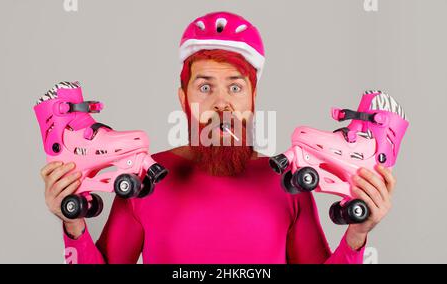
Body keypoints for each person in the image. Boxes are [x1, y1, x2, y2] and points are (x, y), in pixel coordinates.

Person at [40, 11, 396, 264]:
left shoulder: (286, 184)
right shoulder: (144, 180)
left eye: (235, 87)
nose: (221, 102)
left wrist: (356, 237)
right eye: (205, 86)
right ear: (184, 99)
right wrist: (74, 224)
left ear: (253, 100)